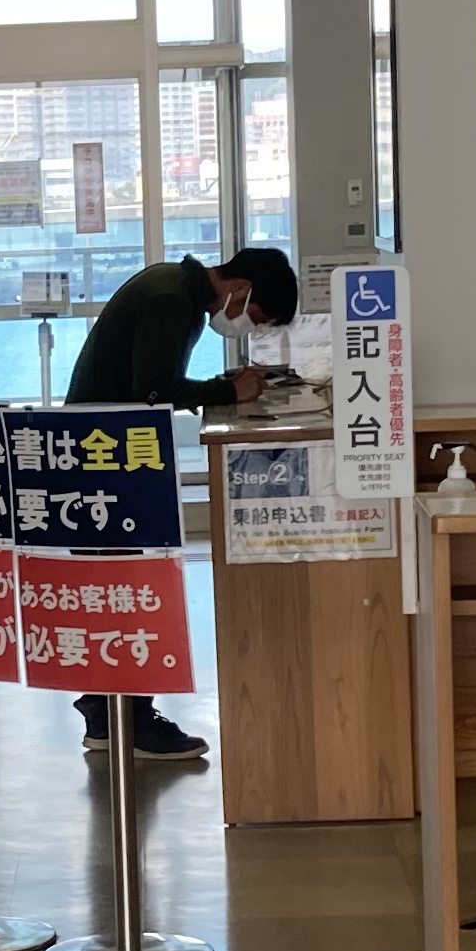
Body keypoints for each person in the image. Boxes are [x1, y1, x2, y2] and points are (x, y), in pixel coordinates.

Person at [60, 242, 300, 757]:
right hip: (105, 456)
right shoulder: (173, 299)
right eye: (253, 316)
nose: (246, 327)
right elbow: (152, 389)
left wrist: (222, 386)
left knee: (117, 586)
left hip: (103, 450)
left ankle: (107, 714)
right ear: (240, 289)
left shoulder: (175, 286)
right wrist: (225, 391)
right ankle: (130, 720)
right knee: (129, 587)